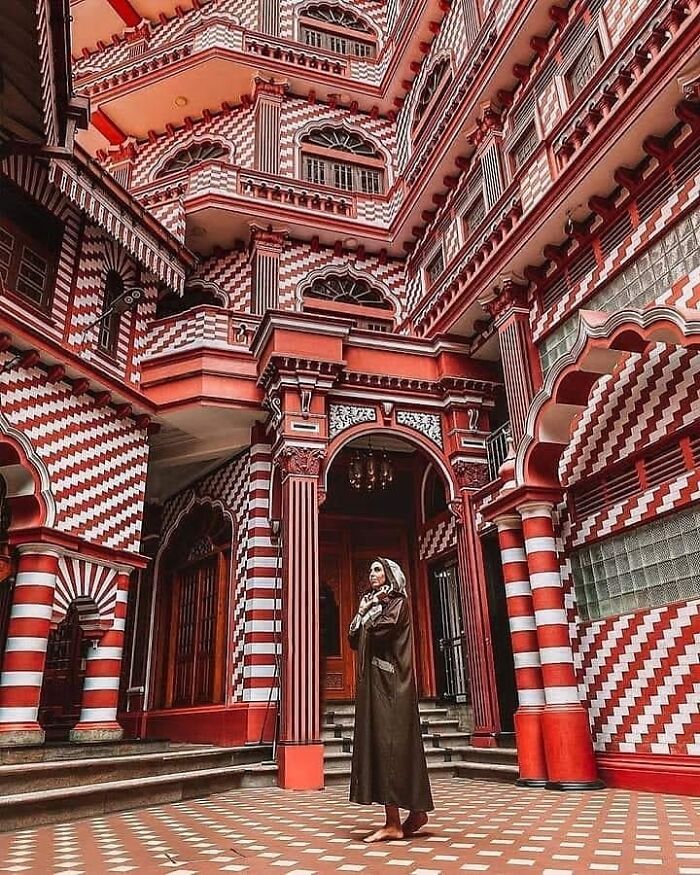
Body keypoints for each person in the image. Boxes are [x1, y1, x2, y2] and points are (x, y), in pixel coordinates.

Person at [348, 557, 434, 843]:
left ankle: (394, 822)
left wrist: (367, 613)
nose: (372, 574)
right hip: (376, 686)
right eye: (370, 569)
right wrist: (362, 613)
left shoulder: (396, 602)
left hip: (392, 686)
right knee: (385, 747)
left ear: (390, 575)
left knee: (391, 748)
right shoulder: (376, 602)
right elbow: (354, 640)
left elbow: (381, 632)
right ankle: (413, 813)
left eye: (378, 569)